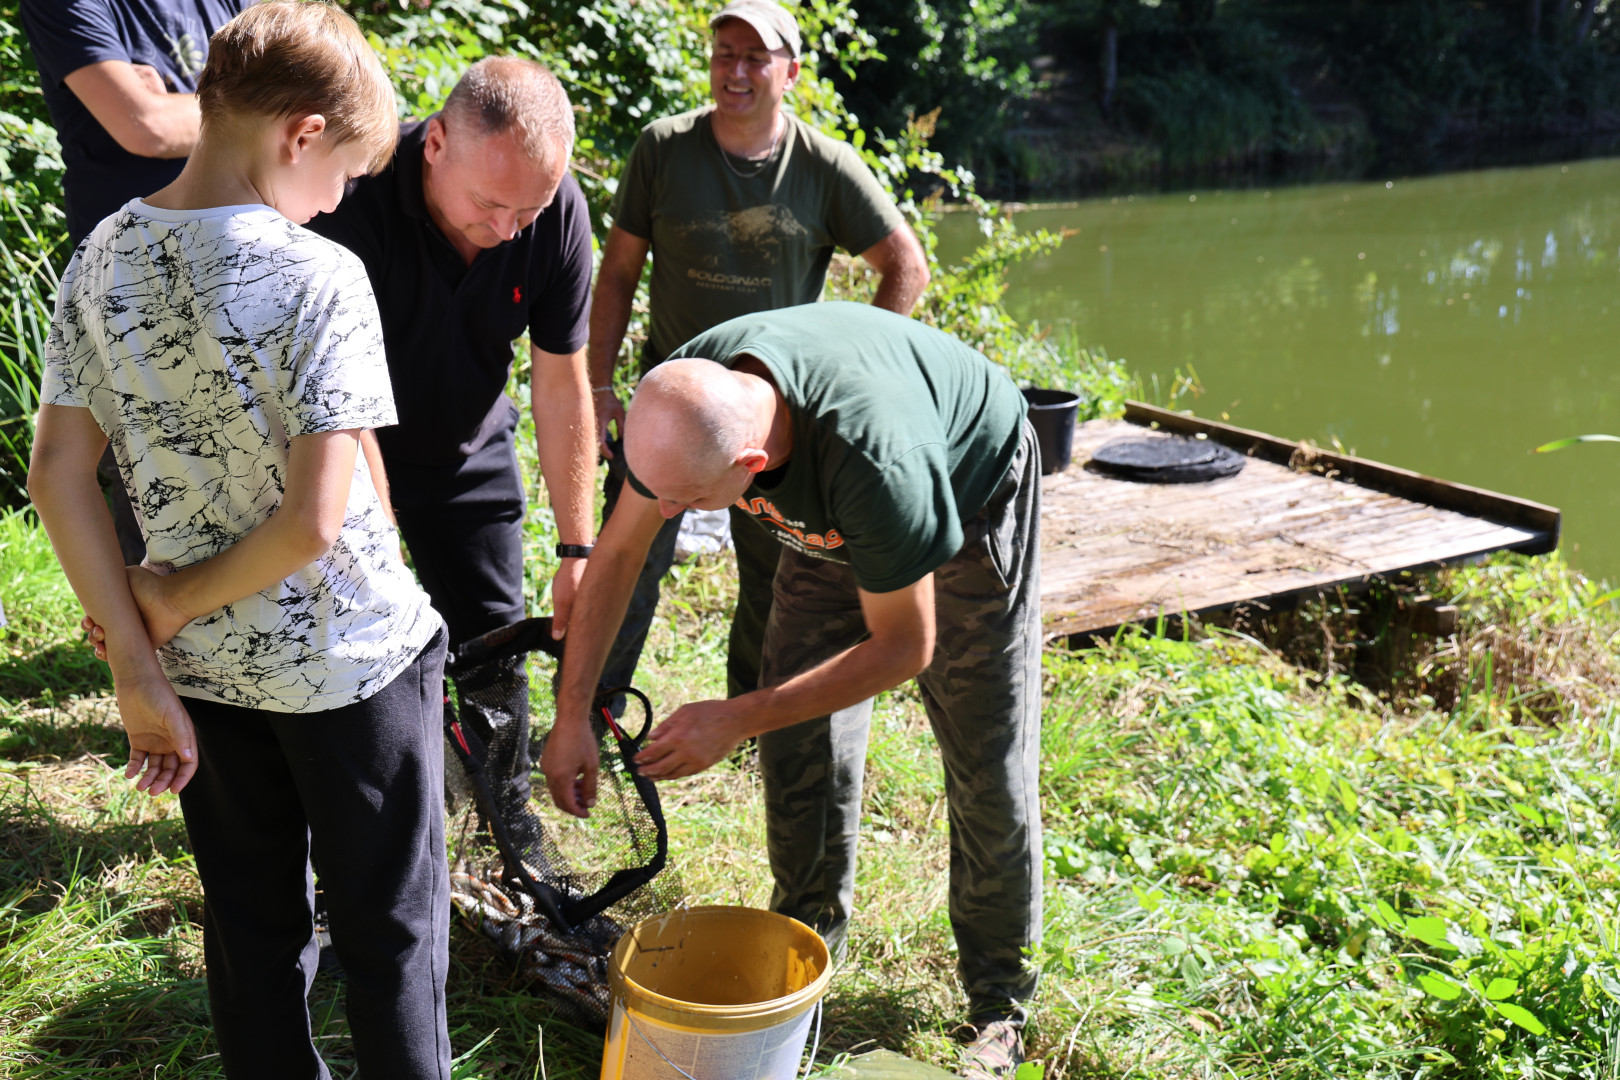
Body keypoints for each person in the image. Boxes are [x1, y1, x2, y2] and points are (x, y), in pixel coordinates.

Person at [29, 5, 451, 1076]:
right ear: (302, 134)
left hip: (202, 672)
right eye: (343, 174)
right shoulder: (321, 275)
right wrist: (164, 603)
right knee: (392, 938)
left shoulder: (102, 254)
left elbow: (57, 474)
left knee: (251, 934)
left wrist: (139, 654)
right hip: (353, 665)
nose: (339, 200)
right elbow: (313, 522)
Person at [543, 302, 1042, 1079]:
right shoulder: (682, 401)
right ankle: (804, 946)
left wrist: (737, 716)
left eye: (687, 502)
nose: (667, 513)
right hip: (829, 497)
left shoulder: (879, 462)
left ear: (750, 463)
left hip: (961, 489)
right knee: (797, 732)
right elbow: (618, 553)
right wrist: (572, 712)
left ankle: (999, 1004)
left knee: (985, 759)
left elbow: (905, 648)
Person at [590, 0, 931, 704]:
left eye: (755, 57)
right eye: (725, 54)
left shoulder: (825, 166)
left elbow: (906, 266)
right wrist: (599, 386)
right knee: (628, 558)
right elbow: (618, 272)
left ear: (791, 72)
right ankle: (597, 712)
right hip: (672, 409)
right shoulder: (663, 147)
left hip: (773, 423)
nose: (736, 72)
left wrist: (851, 377)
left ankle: (748, 717)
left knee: (774, 582)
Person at [307, 57, 596, 833]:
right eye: (489, 204)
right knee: (361, 646)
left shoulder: (557, 213)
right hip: (343, 448)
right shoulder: (351, 195)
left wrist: (578, 549)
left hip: (468, 448)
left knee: (494, 647)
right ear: (434, 143)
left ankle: (507, 823)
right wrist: (383, 551)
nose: (506, 231)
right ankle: (364, 831)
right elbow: (330, 397)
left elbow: (561, 384)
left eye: (527, 210)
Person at [20, 0, 251, 566]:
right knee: (159, 511)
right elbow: (146, 125)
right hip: (139, 290)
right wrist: (245, 107)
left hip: (247, 272)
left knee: (264, 480)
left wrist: (177, 102)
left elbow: (304, 98)